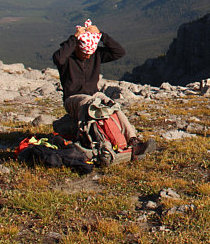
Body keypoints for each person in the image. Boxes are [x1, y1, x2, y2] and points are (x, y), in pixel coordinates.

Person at [52, 19, 150, 157]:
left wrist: (102, 35)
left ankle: (133, 140)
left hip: (94, 94)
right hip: (73, 99)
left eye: (90, 53)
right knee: (90, 104)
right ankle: (101, 144)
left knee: (112, 106)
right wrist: (73, 38)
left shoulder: (95, 54)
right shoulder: (67, 58)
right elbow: (58, 58)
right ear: (77, 47)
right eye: (84, 53)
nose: (87, 55)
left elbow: (119, 52)